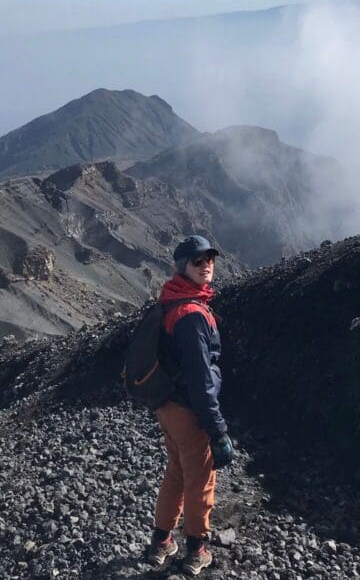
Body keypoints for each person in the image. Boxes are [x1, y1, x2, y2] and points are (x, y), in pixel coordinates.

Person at [146, 235, 234, 576]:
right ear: (183, 266)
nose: (206, 265)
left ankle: (161, 542)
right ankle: (196, 550)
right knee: (201, 477)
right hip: (187, 407)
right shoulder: (191, 315)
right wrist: (217, 430)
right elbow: (201, 380)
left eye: (210, 258)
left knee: (177, 471)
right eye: (198, 261)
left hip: (165, 404)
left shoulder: (172, 300)